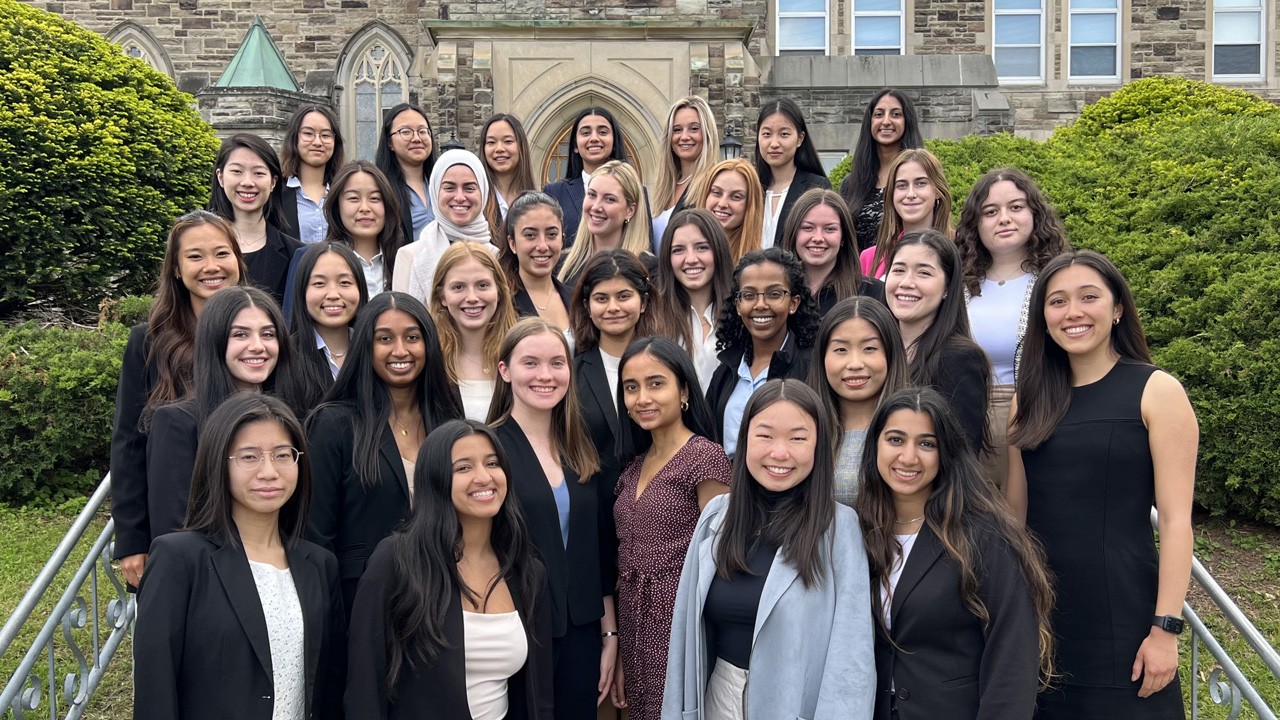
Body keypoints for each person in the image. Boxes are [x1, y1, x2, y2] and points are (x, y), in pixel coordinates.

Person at [1008, 250, 1197, 719]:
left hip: (1125, 621)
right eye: (1057, 302)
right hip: (1045, 618)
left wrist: (1165, 629)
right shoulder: (1026, 402)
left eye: (1088, 297)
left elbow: (1176, 523)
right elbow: (1015, 518)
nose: (1073, 312)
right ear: (1043, 319)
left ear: (1117, 309)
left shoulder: (1157, 391)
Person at [663, 379, 875, 720]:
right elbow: (684, 642)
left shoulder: (838, 528)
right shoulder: (717, 518)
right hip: (721, 698)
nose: (780, 452)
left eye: (797, 438)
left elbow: (852, 659)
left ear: (819, 446)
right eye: (765, 435)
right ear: (745, 439)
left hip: (794, 706)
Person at [134, 393, 344, 720]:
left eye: (282, 455)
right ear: (219, 461)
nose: (269, 472)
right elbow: (155, 689)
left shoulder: (318, 565)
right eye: (249, 457)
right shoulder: (180, 559)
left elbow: (329, 686)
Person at [858, 387, 1054, 720]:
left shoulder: (984, 536)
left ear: (946, 452)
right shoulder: (858, 531)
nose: (908, 457)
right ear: (875, 445)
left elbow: (1013, 652)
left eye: (926, 443)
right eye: (895, 440)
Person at [345, 420, 554, 719]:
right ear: (436, 479)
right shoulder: (396, 560)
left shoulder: (528, 573)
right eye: (464, 468)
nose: (484, 477)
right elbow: (364, 686)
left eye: (492, 463)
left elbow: (540, 697)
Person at [111, 210, 247, 588]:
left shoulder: (262, 335)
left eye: (222, 253)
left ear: (238, 259)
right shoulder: (149, 342)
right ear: (175, 268)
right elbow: (128, 443)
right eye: (195, 256)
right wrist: (132, 540)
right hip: (177, 512)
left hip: (254, 506)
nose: (211, 267)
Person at [487, 318, 615, 720]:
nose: (546, 375)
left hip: (581, 630)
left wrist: (609, 633)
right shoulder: (488, 447)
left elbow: (598, 551)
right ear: (505, 371)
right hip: (516, 629)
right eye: (531, 363)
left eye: (557, 363)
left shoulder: (582, 447)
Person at [306, 291, 464, 612]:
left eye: (412, 337)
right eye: (384, 338)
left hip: (444, 597)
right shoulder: (333, 423)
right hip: (364, 605)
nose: (400, 350)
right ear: (366, 346)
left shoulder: (448, 415)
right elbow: (315, 536)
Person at [609, 337, 731, 720]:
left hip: (681, 619)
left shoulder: (704, 457)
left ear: (683, 391)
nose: (642, 397)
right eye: (631, 387)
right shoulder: (632, 466)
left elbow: (722, 556)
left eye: (655, 383)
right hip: (633, 618)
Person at [147, 286, 303, 542]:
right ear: (215, 341)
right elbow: (173, 530)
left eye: (268, 334)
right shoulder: (178, 423)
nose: (257, 346)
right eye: (240, 335)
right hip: (208, 574)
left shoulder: (293, 418)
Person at [955, 168, 1070, 490]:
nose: (1004, 218)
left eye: (1016, 207)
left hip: (1039, 419)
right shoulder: (958, 287)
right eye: (990, 211)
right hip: (967, 424)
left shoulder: (1056, 281)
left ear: (1034, 213)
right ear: (976, 223)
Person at [705, 247, 819, 457]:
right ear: (738, 305)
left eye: (774, 294)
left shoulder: (812, 367)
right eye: (749, 295)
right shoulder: (726, 371)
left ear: (793, 303)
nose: (760, 305)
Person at [884, 230, 990, 454]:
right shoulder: (878, 351)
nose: (906, 282)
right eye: (899, 270)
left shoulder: (960, 359)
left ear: (948, 289)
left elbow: (962, 454)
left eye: (923, 273)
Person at [808, 297, 910, 506]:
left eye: (869, 348)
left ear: (891, 354)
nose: (855, 363)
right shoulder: (804, 427)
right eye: (841, 350)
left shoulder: (916, 424)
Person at [428, 241, 518, 422]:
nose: (472, 298)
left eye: (482, 285)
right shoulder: (430, 360)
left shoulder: (520, 352)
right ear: (442, 296)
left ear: (499, 291)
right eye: (458, 287)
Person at [208, 133, 302, 305]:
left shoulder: (296, 254)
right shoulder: (198, 246)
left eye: (258, 173)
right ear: (220, 177)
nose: (248, 182)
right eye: (237, 171)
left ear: (273, 182)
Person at [396, 149, 500, 301]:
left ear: (483, 192)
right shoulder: (410, 257)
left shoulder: (497, 257)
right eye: (449, 188)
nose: (459, 197)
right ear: (435, 191)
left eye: (469, 187)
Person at [649, 208, 734, 394]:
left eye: (702, 247)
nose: (691, 259)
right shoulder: (653, 317)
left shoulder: (740, 313)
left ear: (718, 251)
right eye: (678, 250)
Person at [838, 89, 924, 253]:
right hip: (859, 274)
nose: (886, 121)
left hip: (905, 272)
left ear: (907, 121)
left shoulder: (921, 178)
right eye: (878, 114)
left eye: (896, 114)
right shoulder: (851, 184)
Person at [286, 242, 370, 409]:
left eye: (345, 283)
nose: (333, 294)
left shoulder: (374, 350)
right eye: (319, 283)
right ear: (302, 291)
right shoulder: (286, 357)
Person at [780, 188, 885, 314]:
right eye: (808, 228)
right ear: (793, 234)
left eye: (829, 229)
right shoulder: (773, 293)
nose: (818, 238)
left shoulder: (873, 293)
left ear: (843, 237)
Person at [557, 161, 655, 287]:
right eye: (592, 195)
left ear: (630, 210)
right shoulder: (561, 264)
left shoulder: (648, 269)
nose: (596, 207)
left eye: (609, 199)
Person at [544, 106, 631, 248]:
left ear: (614, 142)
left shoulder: (634, 191)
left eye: (603, 132)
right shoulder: (554, 193)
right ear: (575, 146)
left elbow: (645, 243)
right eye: (585, 133)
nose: (594, 138)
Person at [753, 98, 832, 249]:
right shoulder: (750, 187)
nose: (774, 143)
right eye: (767, 134)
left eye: (784, 134)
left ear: (800, 139)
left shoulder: (816, 187)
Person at [864, 148, 953, 279]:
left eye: (921, 183)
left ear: (938, 191)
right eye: (902, 185)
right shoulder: (869, 258)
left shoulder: (963, 248)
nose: (910, 194)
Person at [319, 160, 404, 297]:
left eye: (375, 198)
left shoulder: (406, 261)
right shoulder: (318, 263)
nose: (365, 208)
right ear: (337, 207)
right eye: (353, 198)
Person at [499, 191, 573, 338]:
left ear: (562, 239)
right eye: (530, 235)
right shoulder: (499, 301)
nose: (542, 246)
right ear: (512, 243)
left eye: (551, 234)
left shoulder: (576, 299)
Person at [650, 96, 720, 246]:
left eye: (694, 128)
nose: (684, 137)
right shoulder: (666, 188)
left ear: (707, 133)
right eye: (677, 130)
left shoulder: (714, 185)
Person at [279, 105, 345, 245]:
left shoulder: (344, 191)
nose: (317, 142)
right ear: (294, 138)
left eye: (326, 135)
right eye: (308, 134)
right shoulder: (275, 194)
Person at [375, 102, 437, 247]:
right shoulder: (380, 188)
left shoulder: (442, 184)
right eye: (406, 132)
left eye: (422, 131)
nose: (417, 138)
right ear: (390, 142)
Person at [688, 158, 765, 262]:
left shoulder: (757, 264)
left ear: (750, 204)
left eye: (736, 197)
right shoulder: (683, 253)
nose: (722, 204)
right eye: (716, 192)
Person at [481, 113, 538, 223]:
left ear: (521, 146)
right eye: (491, 142)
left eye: (508, 141)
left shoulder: (536, 203)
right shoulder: (477, 202)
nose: (499, 149)